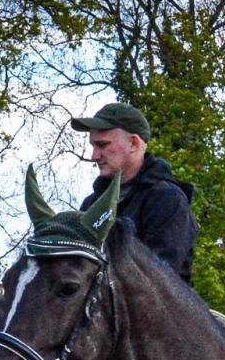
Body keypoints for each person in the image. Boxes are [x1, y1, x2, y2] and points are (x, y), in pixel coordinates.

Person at [71, 101, 199, 286]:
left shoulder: (167, 200)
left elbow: (160, 282)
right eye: (93, 146)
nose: (94, 156)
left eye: (102, 145)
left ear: (133, 143)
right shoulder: (91, 206)